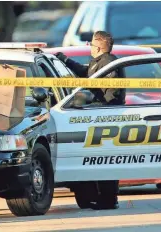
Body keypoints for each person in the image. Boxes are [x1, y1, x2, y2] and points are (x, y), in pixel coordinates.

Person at [54, 31, 126, 210]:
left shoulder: (109, 63)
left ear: (99, 47)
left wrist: (99, 105)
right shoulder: (99, 62)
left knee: (106, 160)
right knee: (99, 159)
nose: (90, 47)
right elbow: (86, 73)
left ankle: (109, 200)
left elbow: (112, 92)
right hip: (99, 115)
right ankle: (101, 198)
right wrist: (66, 60)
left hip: (107, 117)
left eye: (91, 44)